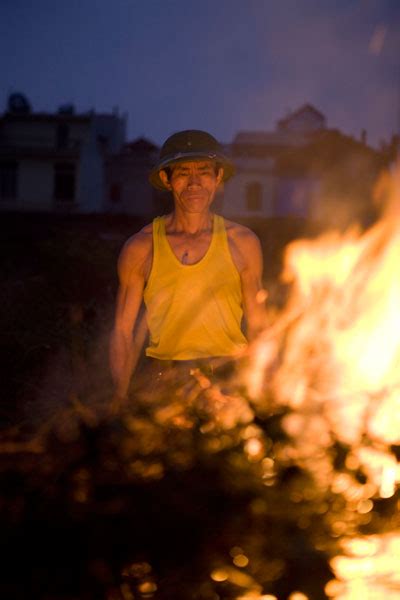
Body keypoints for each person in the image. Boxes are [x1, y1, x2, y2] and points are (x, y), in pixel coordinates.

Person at [109, 129, 264, 408]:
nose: (194, 182)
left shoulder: (242, 242)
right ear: (167, 180)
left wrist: (260, 393)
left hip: (227, 383)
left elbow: (259, 327)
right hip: (164, 385)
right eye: (183, 172)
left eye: (204, 171)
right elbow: (122, 331)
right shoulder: (142, 247)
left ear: (218, 179)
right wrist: (120, 397)